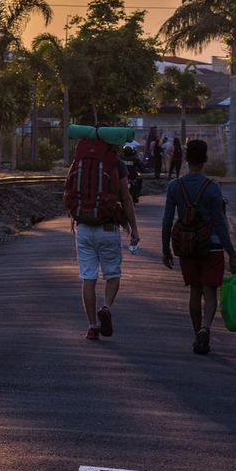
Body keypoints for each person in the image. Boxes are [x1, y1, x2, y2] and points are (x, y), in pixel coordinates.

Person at [162, 139, 236, 355]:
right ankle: (206, 328)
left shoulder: (174, 186)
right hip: (213, 247)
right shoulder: (213, 188)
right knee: (209, 293)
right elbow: (220, 223)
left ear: (186, 159)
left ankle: (197, 331)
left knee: (194, 291)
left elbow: (168, 220)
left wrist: (165, 249)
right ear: (205, 159)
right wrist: (232, 253)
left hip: (187, 248)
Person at [66, 137, 141, 341]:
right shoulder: (116, 162)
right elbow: (126, 197)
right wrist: (133, 230)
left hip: (82, 227)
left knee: (88, 278)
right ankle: (106, 307)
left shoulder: (79, 160)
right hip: (107, 227)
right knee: (113, 275)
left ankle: (92, 326)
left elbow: (68, 189)